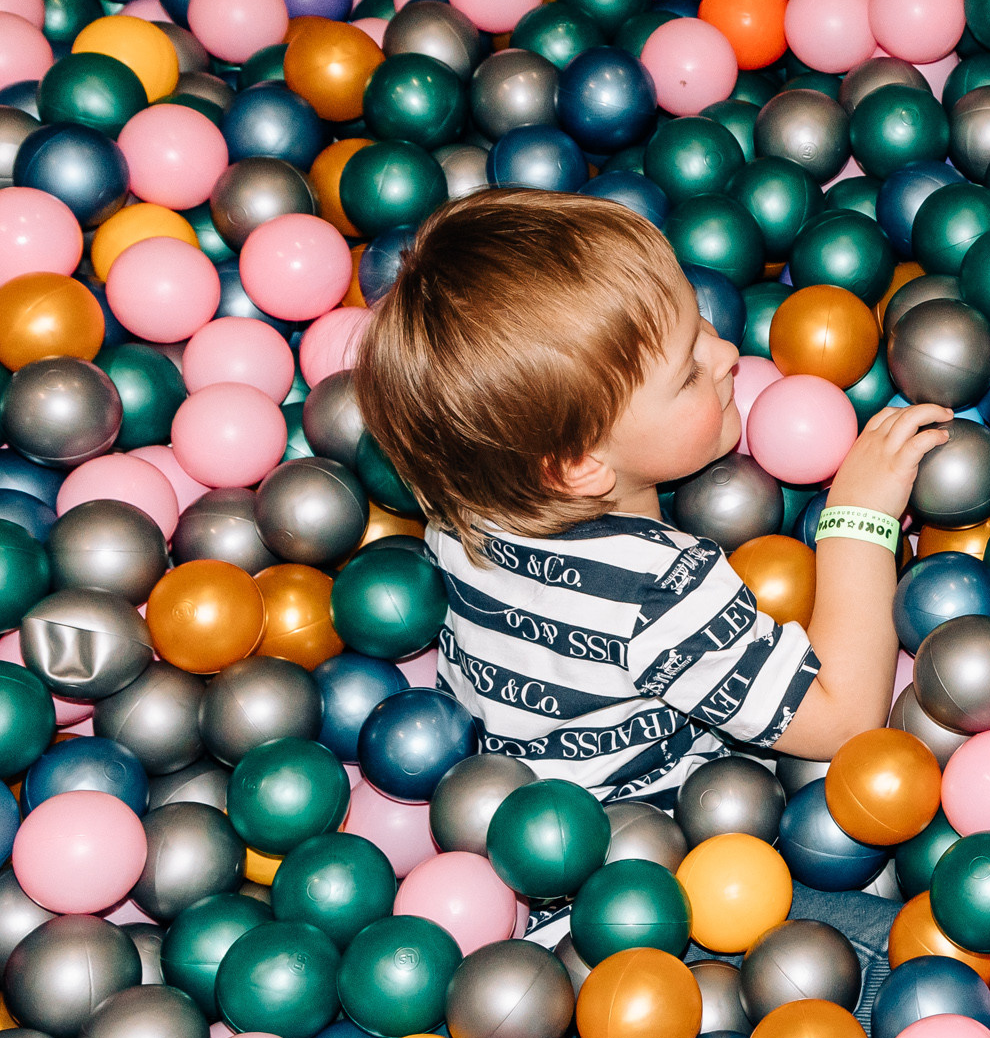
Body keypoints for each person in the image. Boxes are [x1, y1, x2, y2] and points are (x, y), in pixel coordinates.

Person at [355, 190, 943, 995]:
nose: (728, 349)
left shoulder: (459, 514)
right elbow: (842, 719)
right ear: (578, 466)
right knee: (916, 966)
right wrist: (858, 522)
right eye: (686, 375)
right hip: (659, 909)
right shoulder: (654, 588)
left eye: (698, 323)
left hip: (530, 877)